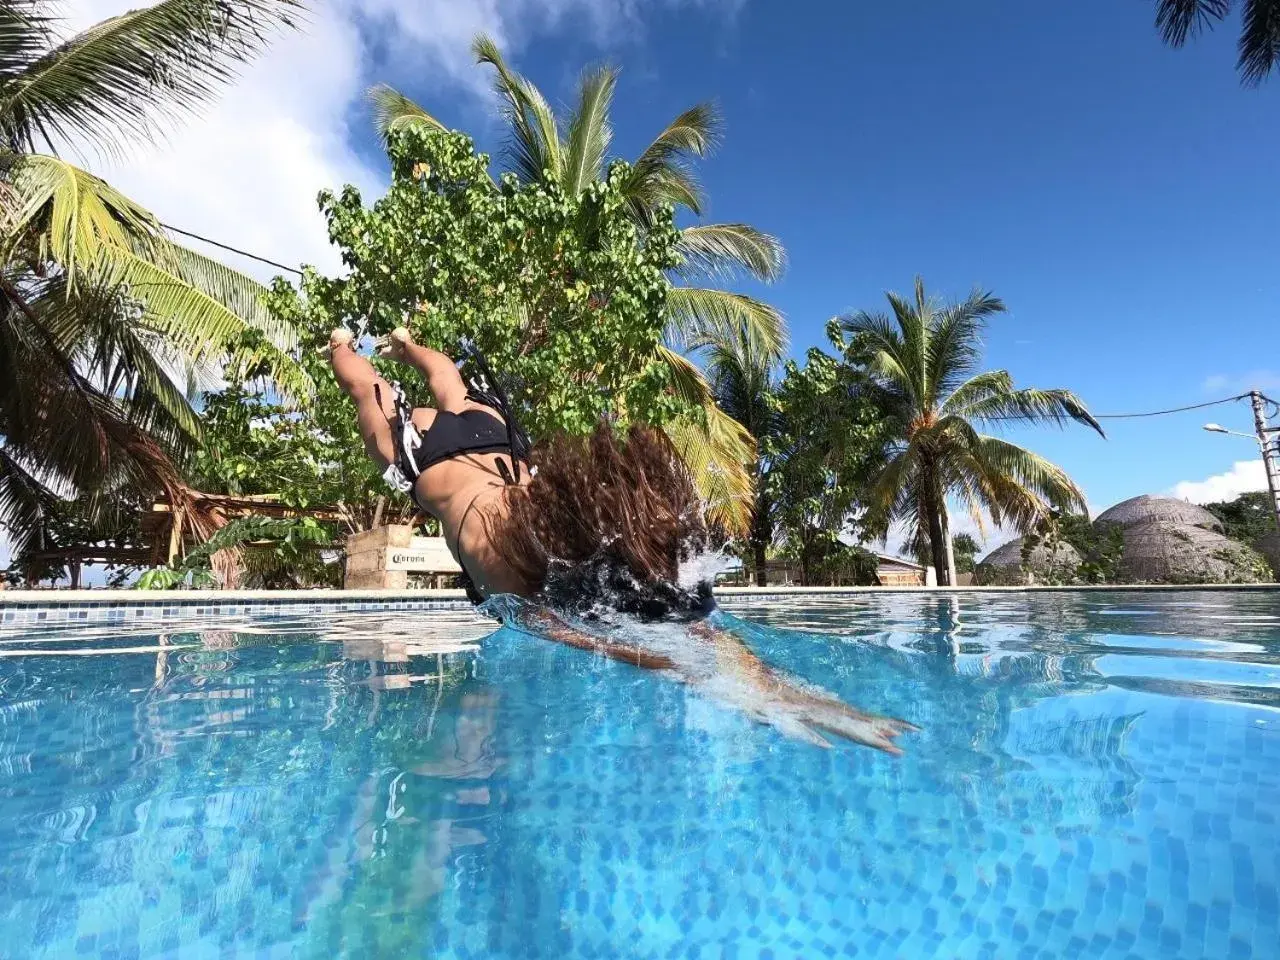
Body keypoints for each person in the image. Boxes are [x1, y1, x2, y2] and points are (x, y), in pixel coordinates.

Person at [326, 326, 915, 753]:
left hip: (475, 455)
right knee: (405, 385)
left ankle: (362, 344)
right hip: (450, 452)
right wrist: (730, 682)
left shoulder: (573, 536)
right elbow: (602, 639)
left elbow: (681, 621)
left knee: (407, 387)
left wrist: (766, 684)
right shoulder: (501, 565)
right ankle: (356, 346)